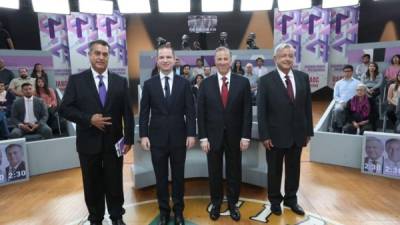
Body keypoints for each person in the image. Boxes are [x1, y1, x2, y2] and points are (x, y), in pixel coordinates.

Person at [59, 40, 134, 225]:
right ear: (89, 55)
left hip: (114, 143)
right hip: (87, 143)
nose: (101, 57)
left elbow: (128, 113)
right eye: (97, 53)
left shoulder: (120, 81)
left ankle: (117, 216)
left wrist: (129, 139)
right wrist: (88, 119)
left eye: (105, 54)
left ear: (109, 57)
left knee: (115, 182)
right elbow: (65, 109)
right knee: (92, 184)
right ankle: (96, 218)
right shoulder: (77, 81)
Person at [139, 44, 196, 225]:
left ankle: (178, 211)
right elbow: (143, 113)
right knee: (161, 178)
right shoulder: (148, 85)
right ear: (157, 61)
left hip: (180, 139)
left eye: (168, 57)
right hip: (157, 140)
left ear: (174, 60)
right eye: (161, 57)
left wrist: (191, 134)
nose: (165, 60)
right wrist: (144, 135)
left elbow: (191, 111)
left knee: (179, 177)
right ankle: (164, 211)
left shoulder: (184, 83)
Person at [257, 43, 313, 216]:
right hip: (274, 136)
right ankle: (274, 200)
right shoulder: (265, 81)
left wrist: (308, 131)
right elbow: (261, 111)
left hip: (298, 134)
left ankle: (291, 199)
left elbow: (307, 107)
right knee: (274, 170)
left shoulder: (303, 77)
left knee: (294, 169)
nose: (287, 58)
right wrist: (264, 135)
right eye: (283, 55)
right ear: (275, 59)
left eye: (290, 55)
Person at [197, 46, 252, 222]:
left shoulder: (243, 82)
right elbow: (201, 113)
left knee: (234, 170)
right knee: (214, 172)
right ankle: (216, 203)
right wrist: (203, 137)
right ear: (215, 61)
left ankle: (233, 204)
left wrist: (245, 136)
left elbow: (247, 113)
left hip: (236, 137)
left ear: (230, 60)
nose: (222, 62)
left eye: (225, 59)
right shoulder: (205, 84)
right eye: (219, 59)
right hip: (212, 138)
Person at [331, 65, 361, 132]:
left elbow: (360, 94)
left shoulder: (358, 82)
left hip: (354, 103)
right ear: (343, 72)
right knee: (337, 110)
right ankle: (340, 126)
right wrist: (341, 102)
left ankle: (351, 127)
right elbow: (335, 96)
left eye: (349, 71)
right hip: (342, 103)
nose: (347, 73)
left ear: (352, 72)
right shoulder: (338, 83)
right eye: (345, 71)